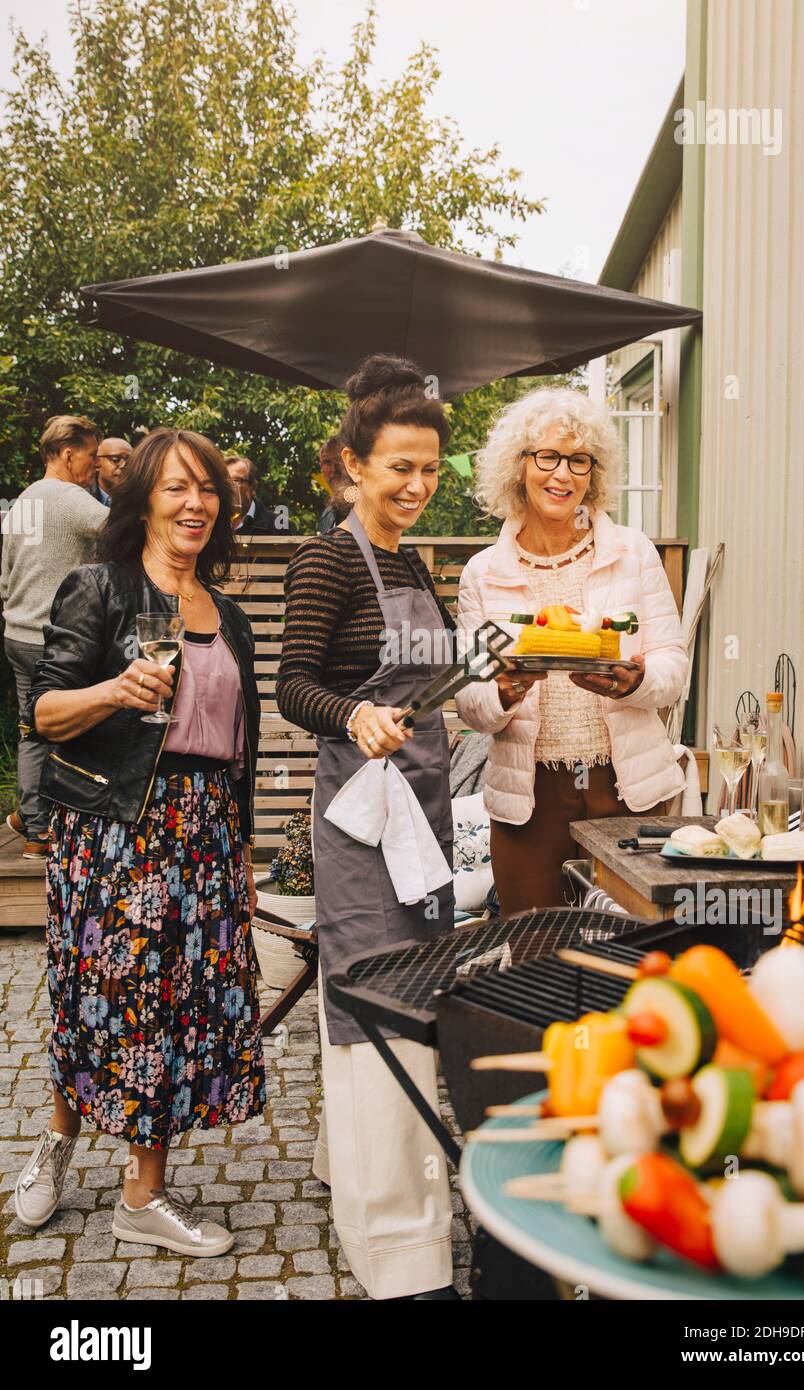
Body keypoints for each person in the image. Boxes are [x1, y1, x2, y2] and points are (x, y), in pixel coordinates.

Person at [14, 428, 265, 1257]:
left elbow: (238, 747)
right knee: (101, 997)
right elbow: (43, 716)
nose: (196, 504)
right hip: (116, 829)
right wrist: (114, 690)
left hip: (201, 834)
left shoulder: (227, 615)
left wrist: (241, 853)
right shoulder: (100, 589)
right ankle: (60, 1138)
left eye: (207, 492)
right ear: (143, 502)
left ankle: (140, 1195)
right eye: (175, 489)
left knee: (175, 1009)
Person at [276, 354, 458, 1300]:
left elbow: (427, 685)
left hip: (421, 813)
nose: (419, 487)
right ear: (353, 464)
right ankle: (397, 1249)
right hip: (359, 818)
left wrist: (481, 683)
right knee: (372, 1003)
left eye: (430, 470)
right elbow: (293, 686)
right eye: (400, 468)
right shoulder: (327, 558)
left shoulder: (411, 560)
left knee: (413, 995)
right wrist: (352, 714)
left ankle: (349, 1170)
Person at [456, 387, 688, 918]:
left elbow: (673, 668)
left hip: (627, 788)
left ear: (594, 473)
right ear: (519, 466)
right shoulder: (484, 573)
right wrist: (505, 690)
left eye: (578, 460)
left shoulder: (632, 553)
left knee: (636, 952)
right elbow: (471, 704)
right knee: (537, 959)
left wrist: (635, 682)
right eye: (548, 457)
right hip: (529, 798)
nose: (562, 475)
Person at [1, 415, 106, 858]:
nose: (97, 465)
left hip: (16, 629)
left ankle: (31, 823)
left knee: (33, 730)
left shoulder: (24, 499)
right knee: (68, 727)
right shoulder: (69, 497)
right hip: (54, 635)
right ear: (68, 454)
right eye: (92, 454)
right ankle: (47, 828)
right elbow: (122, 530)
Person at [226, 454, 280, 534]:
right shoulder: (213, 524)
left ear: (252, 487)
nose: (230, 487)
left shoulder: (278, 527)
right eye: (225, 482)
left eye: (236, 481)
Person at [316, 435, 352, 534]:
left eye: (339, 460)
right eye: (327, 462)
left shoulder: (369, 503)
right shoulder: (327, 514)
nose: (334, 469)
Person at [90, 436, 132, 504]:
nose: (124, 465)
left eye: (130, 460)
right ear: (97, 462)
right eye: (115, 459)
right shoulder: (83, 497)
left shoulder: (139, 498)